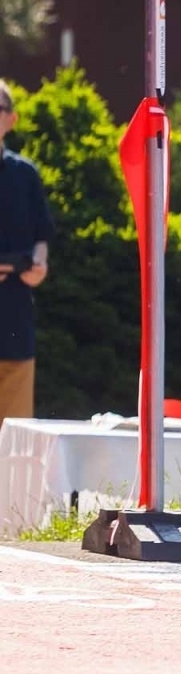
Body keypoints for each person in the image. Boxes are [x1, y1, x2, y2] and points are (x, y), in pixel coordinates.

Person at [0, 80, 54, 426]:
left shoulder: (24, 174)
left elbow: (42, 234)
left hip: (13, 323)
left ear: (11, 119)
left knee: (13, 441)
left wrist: (40, 263)